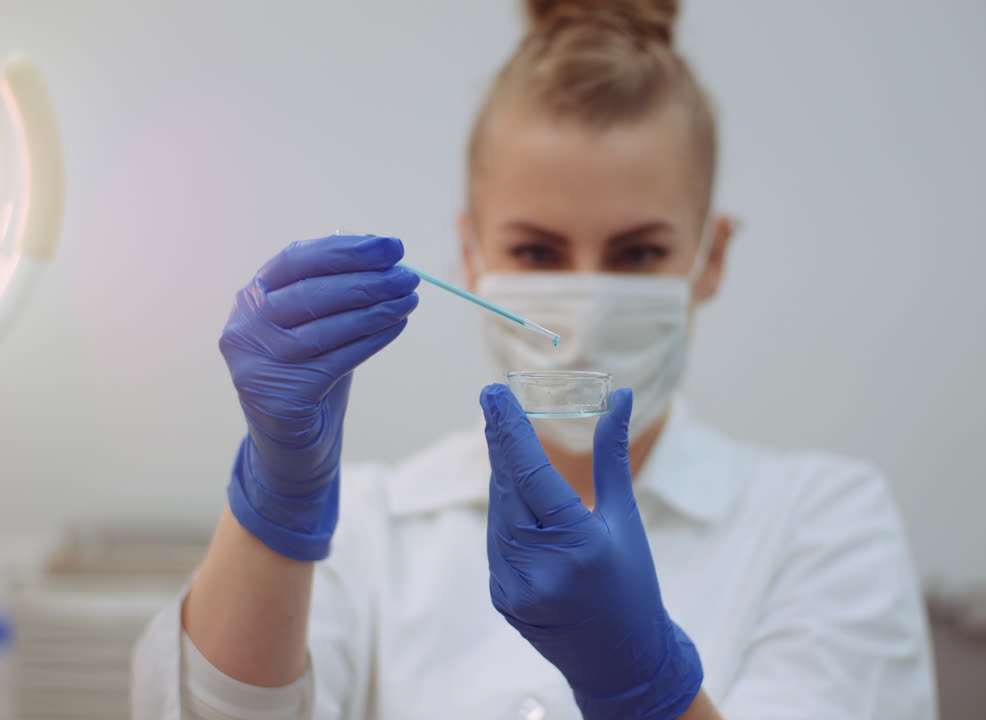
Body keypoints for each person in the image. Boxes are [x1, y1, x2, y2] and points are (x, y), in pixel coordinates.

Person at [132, 1, 936, 717]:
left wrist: (645, 689)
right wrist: (275, 499)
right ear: (472, 254)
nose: (584, 298)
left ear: (712, 258)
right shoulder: (372, 530)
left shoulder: (823, 525)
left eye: (637, 253)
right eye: (539, 251)